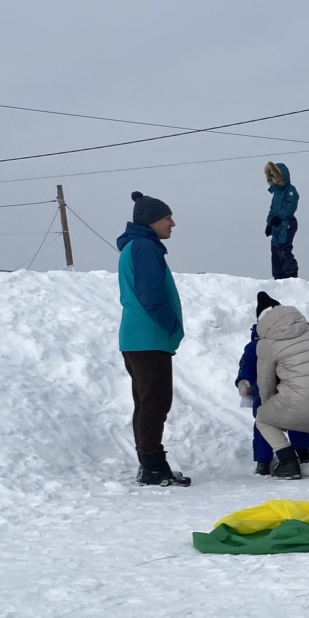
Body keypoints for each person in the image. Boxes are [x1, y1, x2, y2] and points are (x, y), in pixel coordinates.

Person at [118, 191, 190, 487]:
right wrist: (170, 325)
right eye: (166, 218)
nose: (172, 223)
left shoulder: (136, 246)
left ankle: (150, 463)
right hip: (148, 337)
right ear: (151, 222)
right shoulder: (145, 248)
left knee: (147, 402)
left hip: (139, 338)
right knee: (155, 403)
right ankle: (153, 467)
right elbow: (151, 295)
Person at [254, 292, 309, 480]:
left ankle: (288, 462)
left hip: (298, 400)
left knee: (263, 418)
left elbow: (266, 382)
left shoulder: (266, 343)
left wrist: (270, 405)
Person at [236, 311, 309, 475]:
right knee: (263, 426)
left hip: (290, 392)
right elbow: (248, 364)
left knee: (297, 422)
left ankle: (303, 453)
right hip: (265, 395)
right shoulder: (255, 345)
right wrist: (244, 380)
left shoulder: (291, 341)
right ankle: (263, 461)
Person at [264, 162, 300, 280]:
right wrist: (269, 223)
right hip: (276, 225)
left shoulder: (290, 190)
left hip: (287, 223)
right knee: (275, 248)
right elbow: (272, 208)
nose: (272, 179)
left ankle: (290, 272)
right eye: (271, 177)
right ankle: (278, 275)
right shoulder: (276, 192)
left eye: (274, 176)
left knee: (284, 247)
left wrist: (279, 216)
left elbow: (291, 205)